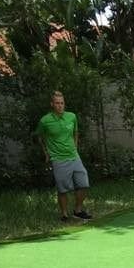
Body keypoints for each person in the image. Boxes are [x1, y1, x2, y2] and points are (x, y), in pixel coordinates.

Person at [36, 92, 92, 222]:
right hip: (58, 159)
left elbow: (75, 133)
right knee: (63, 190)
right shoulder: (45, 121)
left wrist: (75, 147)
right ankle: (64, 214)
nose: (60, 106)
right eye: (57, 103)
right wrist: (46, 152)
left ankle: (77, 211)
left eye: (62, 103)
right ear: (52, 104)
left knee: (84, 184)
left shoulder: (71, 116)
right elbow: (40, 136)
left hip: (74, 156)